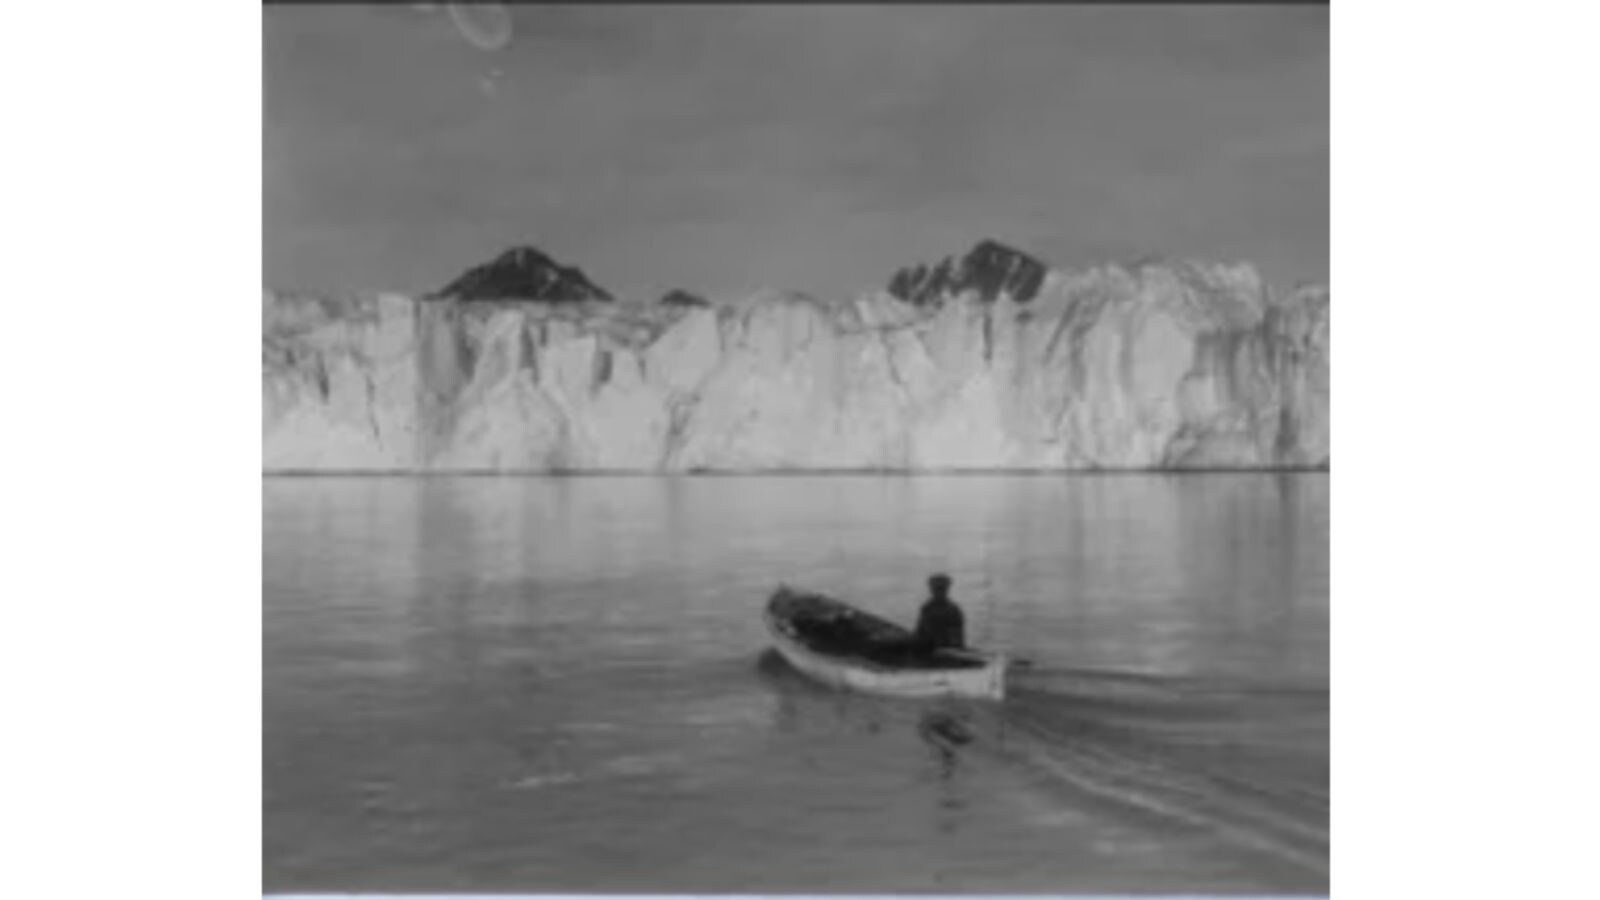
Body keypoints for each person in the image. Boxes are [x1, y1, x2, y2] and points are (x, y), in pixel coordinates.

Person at [913, 573, 966, 652]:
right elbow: (919, 632)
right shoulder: (926, 608)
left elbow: (957, 641)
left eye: (941, 588)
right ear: (931, 589)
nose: (938, 592)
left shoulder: (953, 611)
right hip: (928, 649)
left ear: (947, 589)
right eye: (936, 589)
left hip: (946, 652)